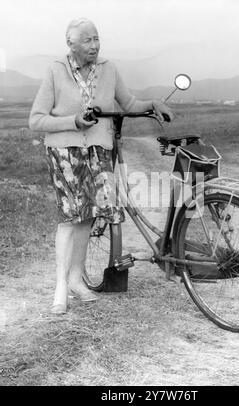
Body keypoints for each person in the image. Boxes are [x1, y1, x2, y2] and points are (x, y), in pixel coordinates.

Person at [29, 18, 173, 314]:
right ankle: (60, 286)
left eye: (97, 39)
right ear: (71, 44)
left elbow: (129, 103)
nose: (94, 45)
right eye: (87, 40)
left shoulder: (109, 68)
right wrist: (73, 121)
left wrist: (152, 104)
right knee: (70, 217)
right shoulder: (56, 70)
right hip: (64, 151)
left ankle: (76, 280)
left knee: (88, 216)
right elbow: (36, 119)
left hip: (98, 149)